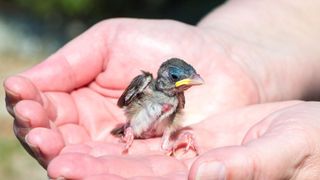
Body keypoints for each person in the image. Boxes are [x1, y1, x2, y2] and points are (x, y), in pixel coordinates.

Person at [4, 0, 320, 179]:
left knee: (172, 126)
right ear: (164, 77)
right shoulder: (146, 82)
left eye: (189, 79)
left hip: (160, 130)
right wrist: (128, 129)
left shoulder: (177, 96)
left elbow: (172, 117)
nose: (186, 84)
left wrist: (175, 138)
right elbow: (125, 104)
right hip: (136, 126)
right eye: (179, 78)